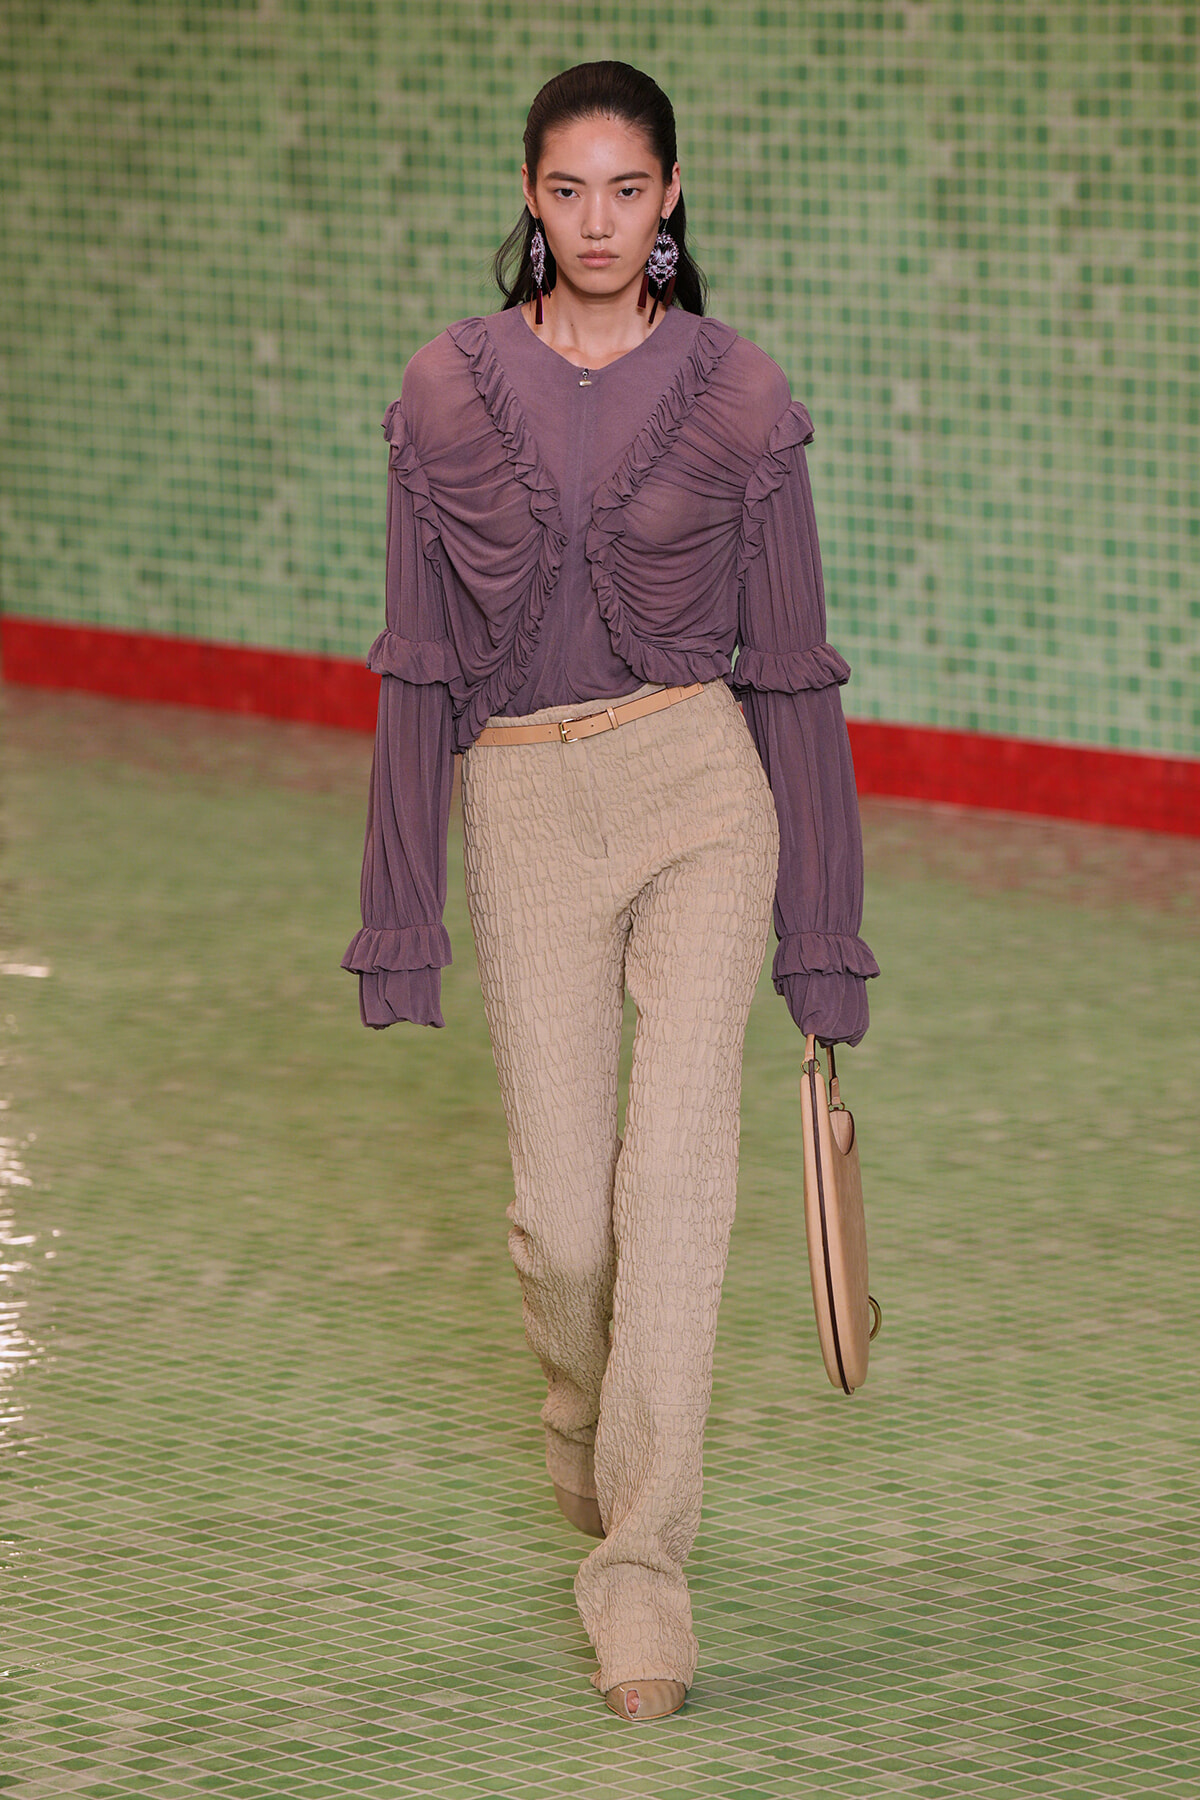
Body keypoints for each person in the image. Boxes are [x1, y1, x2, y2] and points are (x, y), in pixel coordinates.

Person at [342, 60, 878, 1723]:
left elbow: (789, 672)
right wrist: (401, 902)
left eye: (627, 190)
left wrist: (823, 935)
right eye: (566, 191)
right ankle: (577, 1401)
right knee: (565, 1217)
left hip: (700, 786)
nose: (596, 221)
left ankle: (643, 1571)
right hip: (524, 800)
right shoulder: (445, 392)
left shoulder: (738, 395)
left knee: (681, 1189)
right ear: (527, 196)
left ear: (671, 200)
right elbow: (418, 667)